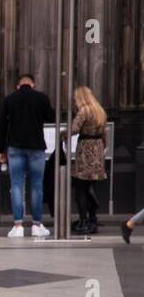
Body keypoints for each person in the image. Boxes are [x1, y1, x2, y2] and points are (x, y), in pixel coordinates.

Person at [0, 73, 55, 239]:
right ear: (33, 84)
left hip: (15, 147)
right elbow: (51, 118)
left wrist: (0, 149)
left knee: (16, 185)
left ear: (18, 86)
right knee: (37, 186)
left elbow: (1, 126)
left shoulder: (9, 99)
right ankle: (37, 225)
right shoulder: (41, 98)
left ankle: (18, 225)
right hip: (36, 147)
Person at [68, 85, 107, 235]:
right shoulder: (99, 111)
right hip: (97, 150)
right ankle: (93, 218)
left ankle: (83, 221)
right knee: (91, 187)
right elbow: (105, 134)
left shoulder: (84, 111)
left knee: (81, 189)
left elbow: (74, 129)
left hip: (85, 151)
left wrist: (64, 133)